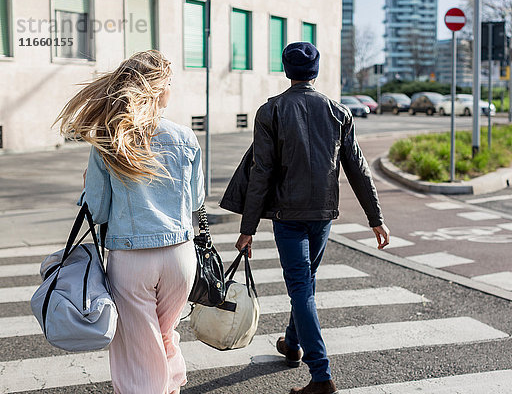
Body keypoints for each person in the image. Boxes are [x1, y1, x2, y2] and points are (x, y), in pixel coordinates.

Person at [231, 42, 390, 394]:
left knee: (302, 286)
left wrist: (248, 229)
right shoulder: (338, 112)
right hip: (322, 214)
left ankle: (321, 375)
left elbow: (261, 173)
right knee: (306, 282)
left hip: (288, 215)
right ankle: (292, 344)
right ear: (316, 71)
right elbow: (358, 169)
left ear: (286, 71)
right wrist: (375, 217)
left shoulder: (270, 111)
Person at [54, 50, 204, 394]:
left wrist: (87, 187)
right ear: (158, 89)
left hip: (132, 258)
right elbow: (196, 201)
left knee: (137, 348)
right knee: (165, 336)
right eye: (170, 84)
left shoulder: (111, 139)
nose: (172, 90)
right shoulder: (186, 138)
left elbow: (99, 211)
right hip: (180, 256)